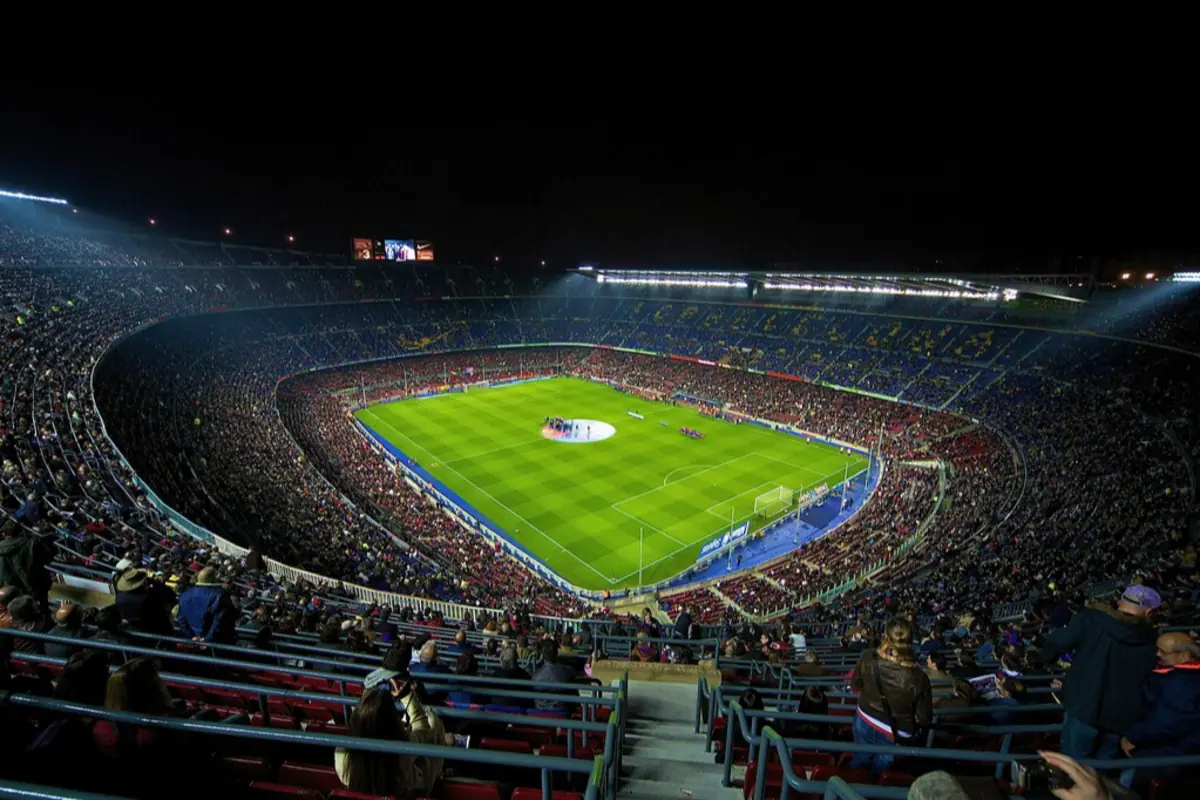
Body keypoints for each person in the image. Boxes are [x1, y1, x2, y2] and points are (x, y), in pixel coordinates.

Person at [1037, 585, 1159, 760]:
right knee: (1102, 775)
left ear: (1120, 601)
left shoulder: (1091, 620)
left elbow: (1056, 643)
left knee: (1074, 768)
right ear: (1150, 613)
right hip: (1120, 719)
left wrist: (1043, 659)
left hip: (1082, 708)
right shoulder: (1155, 640)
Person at [848, 617, 932, 774]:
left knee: (860, 760)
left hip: (866, 718)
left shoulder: (867, 657)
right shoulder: (919, 677)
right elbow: (923, 718)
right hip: (896, 731)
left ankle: (853, 784)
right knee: (883, 771)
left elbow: (855, 685)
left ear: (886, 636)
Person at [1118, 632, 1200, 783]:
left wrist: (1134, 736)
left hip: (1168, 754)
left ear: (1183, 655)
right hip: (1175, 751)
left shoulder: (1182, 682)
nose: (1158, 654)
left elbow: (1168, 722)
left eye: (1163, 652)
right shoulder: (1183, 676)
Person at [335, 688, 416, 798]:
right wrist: (407, 697)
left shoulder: (341, 751)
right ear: (393, 723)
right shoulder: (403, 751)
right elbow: (424, 730)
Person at [175, 567, 236, 643]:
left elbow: (181, 619)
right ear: (213, 579)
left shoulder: (185, 594)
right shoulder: (220, 595)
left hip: (193, 643)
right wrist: (206, 639)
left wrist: (192, 637)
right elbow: (219, 620)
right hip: (216, 645)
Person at [114, 568, 175, 637]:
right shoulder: (149, 596)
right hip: (159, 628)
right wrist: (154, 582)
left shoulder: (119, 598)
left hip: (138, 631)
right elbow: (171, 595)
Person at [532, 639, 576, 712]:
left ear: (542, 654)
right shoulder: (568, 671)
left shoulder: (535, 675)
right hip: (562, 712)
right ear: (557, 652)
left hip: (539, 713)